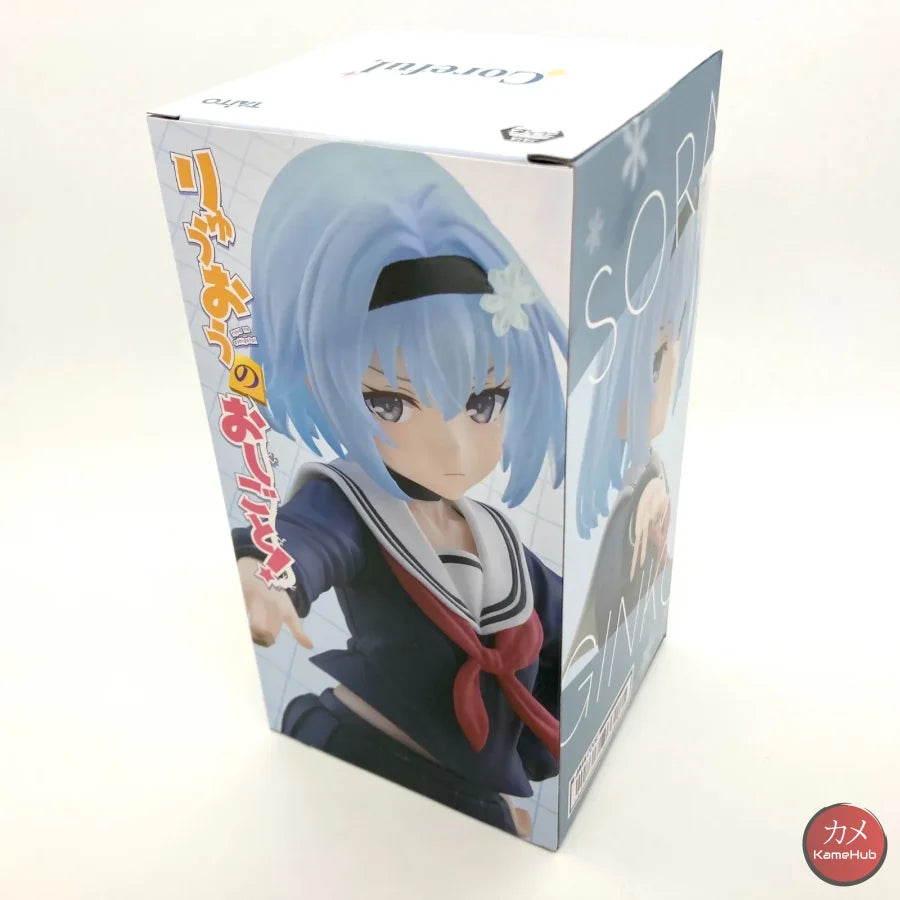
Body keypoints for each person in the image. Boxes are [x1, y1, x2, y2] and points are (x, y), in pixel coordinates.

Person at [233, 143, 567, 838]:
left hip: (468, 799)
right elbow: (306, 540)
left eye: (483, 401)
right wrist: (265, 573)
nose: (452, 448)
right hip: (355, 756)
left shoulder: (499, 541)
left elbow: (575, 630)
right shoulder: (354, 503)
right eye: (390, 403)